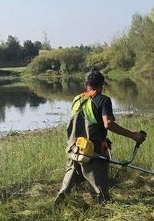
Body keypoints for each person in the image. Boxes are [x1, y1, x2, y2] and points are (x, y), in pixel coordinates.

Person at [55, 69, 147, 204]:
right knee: (100, 190)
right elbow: (108, 124)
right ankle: (102, 209)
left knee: (69, 182)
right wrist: (133, 135)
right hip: (93, 151)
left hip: (74, 148)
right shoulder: (103, 100)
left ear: (86, 84)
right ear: (102, 85)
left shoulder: (77, 99)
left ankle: (59, 205)